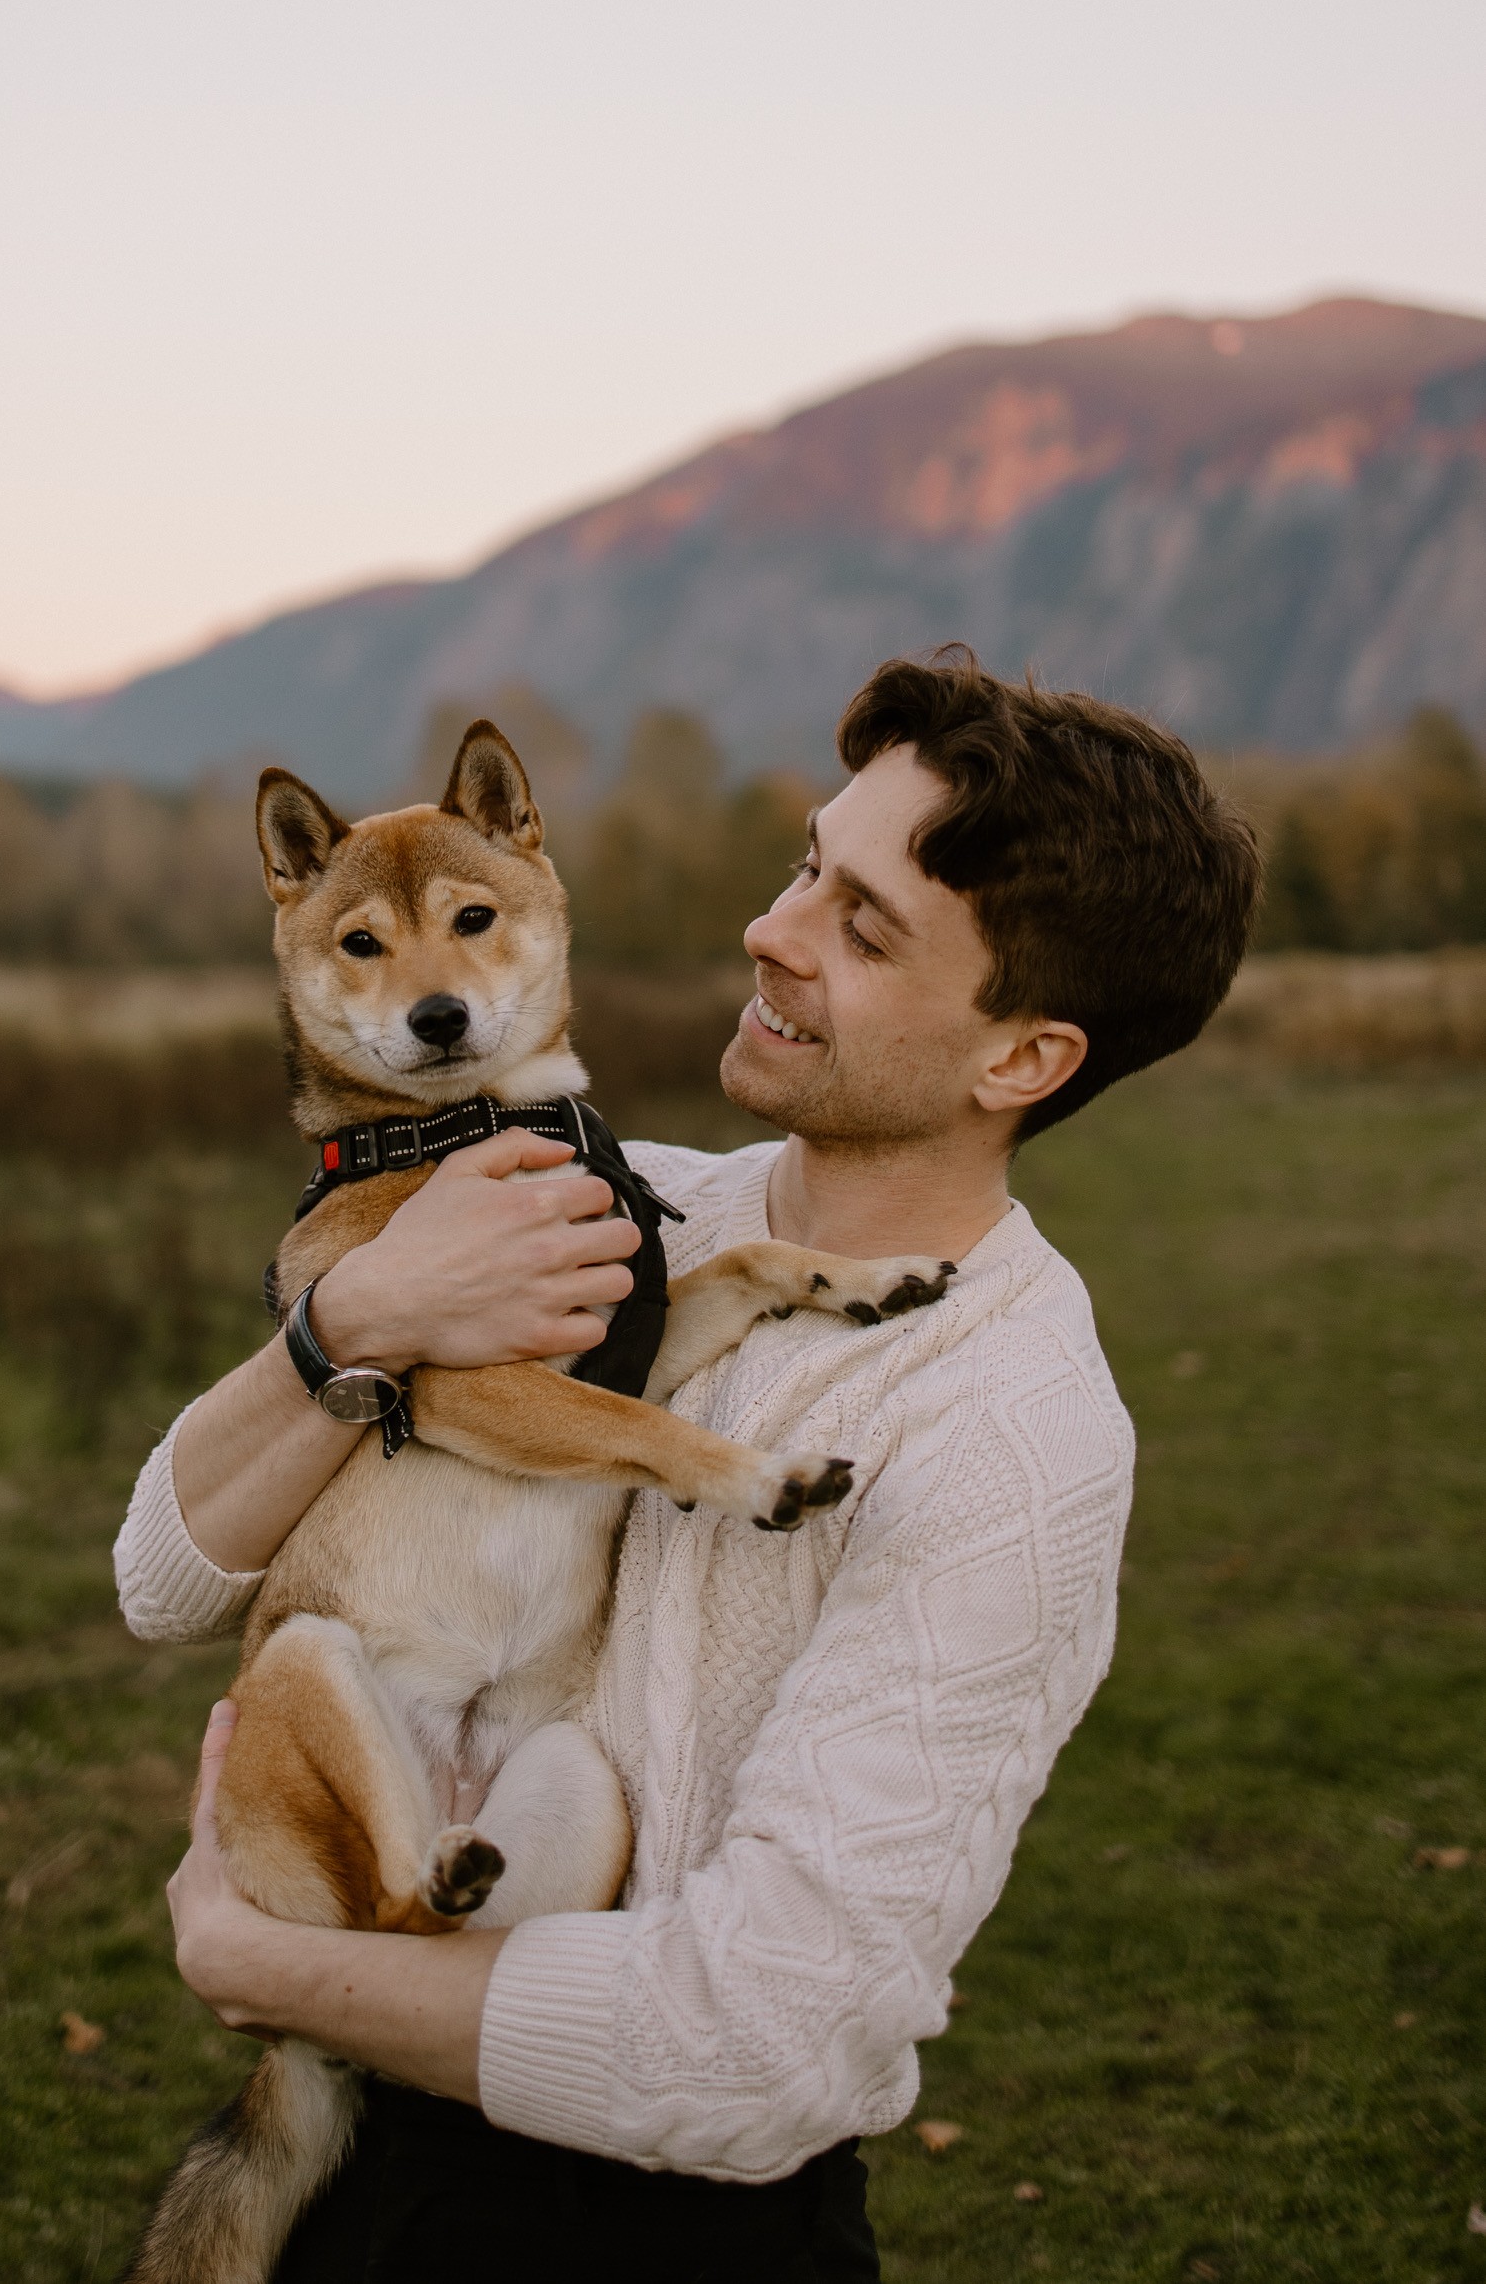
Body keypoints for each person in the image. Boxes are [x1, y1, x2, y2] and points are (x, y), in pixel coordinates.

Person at [114, 651, 1261, 2281]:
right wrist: (349, 1320)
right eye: (806, 865)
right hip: (388, 2166)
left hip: (671, 2223)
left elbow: (757, 2056)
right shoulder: (619, 1199)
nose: (769, 931)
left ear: (1022, 1059)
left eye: (859, 927)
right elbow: (161, 1577)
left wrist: (270, 1968)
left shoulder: (1016, 1431)